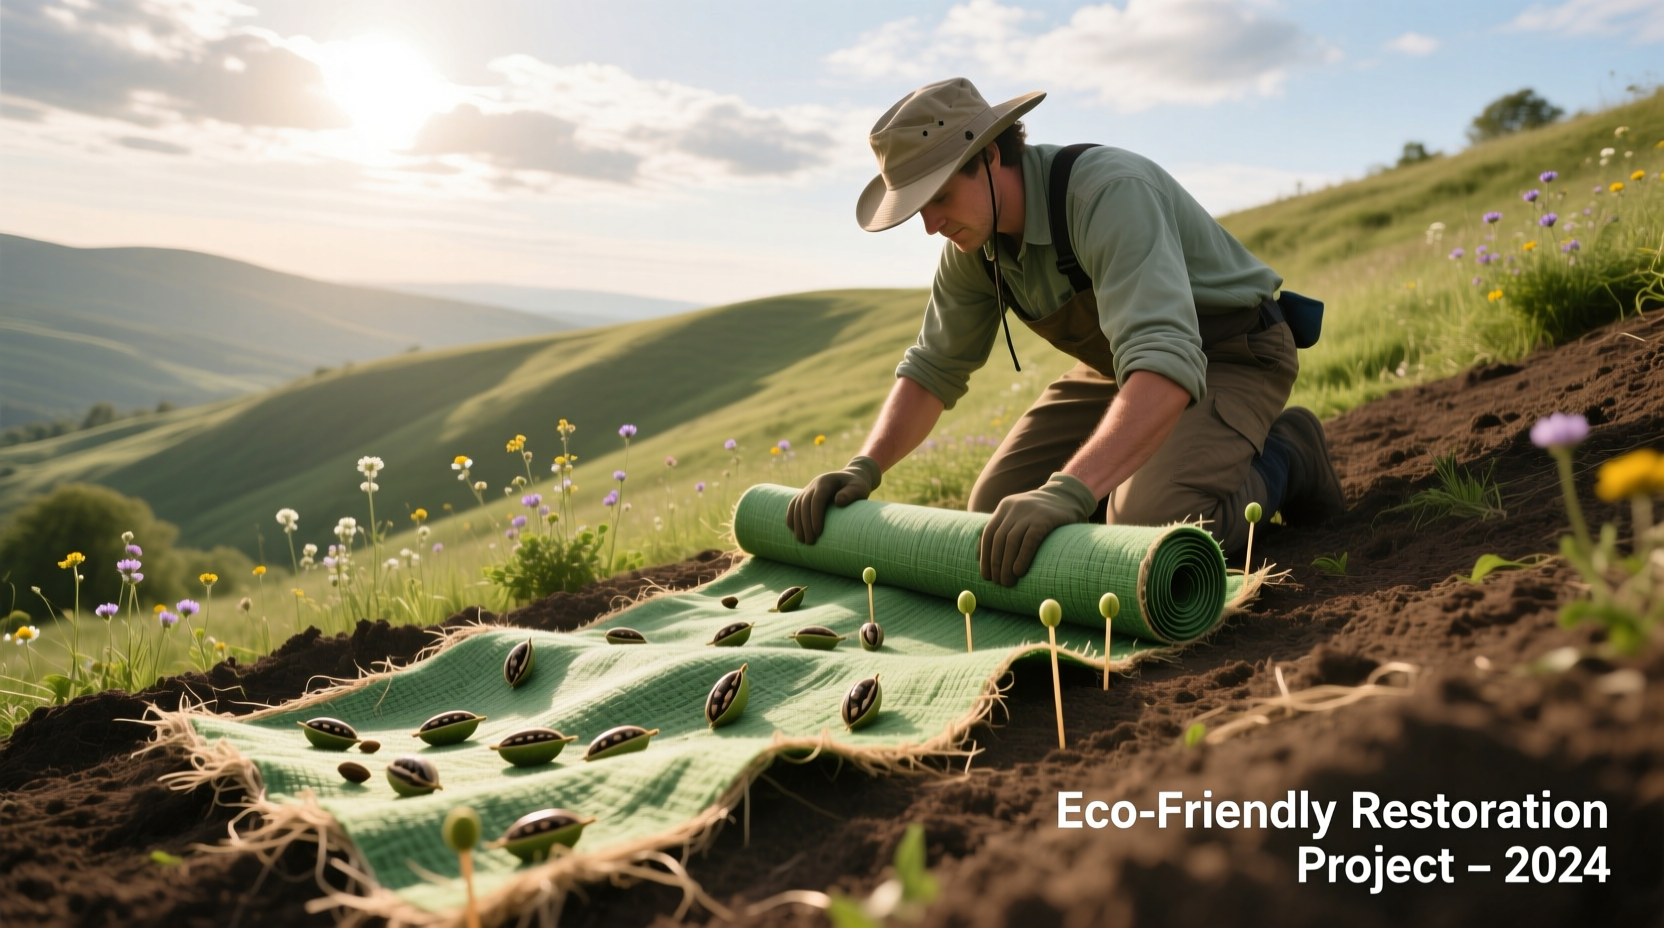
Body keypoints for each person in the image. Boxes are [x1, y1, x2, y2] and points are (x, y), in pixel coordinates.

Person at [786, 77, 1345, 586]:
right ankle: (1124, 488)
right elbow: (934, 368)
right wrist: (864, 467)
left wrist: (1069, 491)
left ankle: (1288, 455)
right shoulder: (972, 247)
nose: (931, 225)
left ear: (989, 156)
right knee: (993, 514)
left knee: (1149, 528)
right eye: (916, 209)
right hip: (1121, 370)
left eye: (938, 197)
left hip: (1230, 353)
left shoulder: (1107, 195)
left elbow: (1166, 363)